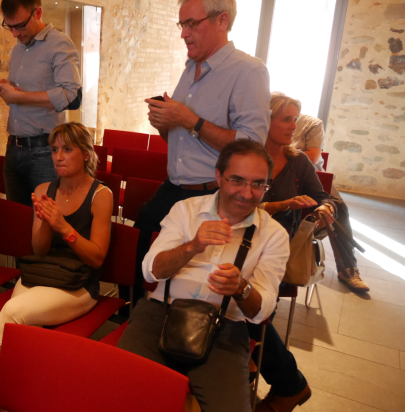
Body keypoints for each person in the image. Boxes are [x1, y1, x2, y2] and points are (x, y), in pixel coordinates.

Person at [118, 140, 289, 412]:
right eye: (237, 180)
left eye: (258, 184)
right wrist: (193, 246)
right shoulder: (185, 210)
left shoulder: (274, 235)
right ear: (219, 176)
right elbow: (150, 270)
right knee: (118, 394)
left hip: (225, 329)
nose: (247, 193)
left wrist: (240, 288)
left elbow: (261, 312)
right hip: (160, 313)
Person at [122, 0, 271, 312]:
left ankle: (182, 324)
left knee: (196, 277)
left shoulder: (248, 71)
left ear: (221, 21)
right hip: (175, 186)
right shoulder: (190, 68)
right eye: (182, 25)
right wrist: (165, 124)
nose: (183, 33)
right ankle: (135, 313)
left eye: (191, 24)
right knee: (139, 241)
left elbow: (252, 147)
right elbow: (180, 139)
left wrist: (190, 120)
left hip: (212, 194)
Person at [0, 122, 112, 412]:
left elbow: (97, 258)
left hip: (78, 285)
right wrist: (45, 221)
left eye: (67, 149)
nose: (58, 157)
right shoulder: (44, 189)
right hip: (42, 273)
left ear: (86, 154)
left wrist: (63, 227)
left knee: (12, 313)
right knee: (19, 332)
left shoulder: (101, 195)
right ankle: (21, 398)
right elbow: (39, 250)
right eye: (54, 150)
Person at [251, 92, 341, 412]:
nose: (293, 126)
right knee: (249, 314)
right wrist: (281, 205)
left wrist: (325, 208)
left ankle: (278, 379)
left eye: (295, 119)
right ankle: (285, 381)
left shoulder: (298, 162)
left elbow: (322, 196)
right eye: (285, 119)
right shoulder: (247, 156)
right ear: (266, 121)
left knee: (254, 311)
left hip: (279, 248)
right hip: (242, 240)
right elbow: (234, 203)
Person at [0, 0, 82, 207]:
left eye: (20, 26)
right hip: (13, 146)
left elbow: (72, 96)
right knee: (17, 217)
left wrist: (18, 97)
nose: (15, 34)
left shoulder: (59, 43)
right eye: (9, 26)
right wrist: (7, 89)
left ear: (38, 12)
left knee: (46, 217)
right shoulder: (18, 49)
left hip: (44, 150)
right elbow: (25, 94)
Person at [286, 104, 369, 292]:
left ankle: (348, 268)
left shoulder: (311, 124)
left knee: (337, 206)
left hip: (310, 175)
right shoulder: (263, 118)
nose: (291, 124)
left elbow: (312, 157)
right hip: (280, 174)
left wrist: (280, 153)